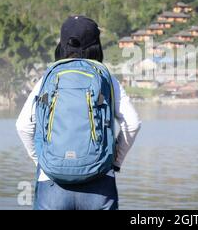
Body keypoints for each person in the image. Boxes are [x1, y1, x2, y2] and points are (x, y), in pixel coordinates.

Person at [16, 15, 141, 210]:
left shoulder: (47, 78)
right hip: (99, 181)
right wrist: (115, 161)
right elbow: (132, 123)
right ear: (96, 46)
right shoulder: (107, 78)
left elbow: (23, 126)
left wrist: (43, 160)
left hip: (51, 183)